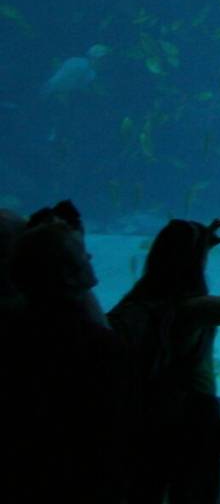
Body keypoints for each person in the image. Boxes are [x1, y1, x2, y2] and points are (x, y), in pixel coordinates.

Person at [110, 216, 220, 504]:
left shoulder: (135, 302)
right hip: (192, 412)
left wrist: (203, 246)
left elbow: (175, 264)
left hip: (147, 407)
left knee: (144, 488)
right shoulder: (194, 310)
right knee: (195, 491)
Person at [1, 201, 131, 504]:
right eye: (80, 254)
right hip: (76, 477)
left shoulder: (13, 321)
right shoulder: (91, 342)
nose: (89, 256)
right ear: (67, 273)